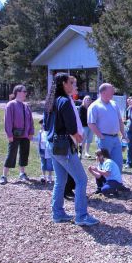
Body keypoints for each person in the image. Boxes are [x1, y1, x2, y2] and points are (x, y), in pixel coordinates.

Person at [44, 72, 99, 226]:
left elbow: (46, 124)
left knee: (60, 180)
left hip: (52, 144)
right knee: (82, 179)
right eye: (70, 82)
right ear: (63, 84)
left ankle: (58, 213)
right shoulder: (64, 101)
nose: (73, 85)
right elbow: (71, 125)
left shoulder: (50, 101)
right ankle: (81, 216)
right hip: (63, 145)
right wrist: (77, 136)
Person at [87, 83, 127, 172]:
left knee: (118, 163)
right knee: (104, 164)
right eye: (111, 91)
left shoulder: (114, 104)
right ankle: (102, 184)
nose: (113, 92)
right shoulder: (94, 106)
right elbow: (91, 123)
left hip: (116, 138)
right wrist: (101, 136)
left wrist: (123, 135)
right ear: (103, 92)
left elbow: (120, 120)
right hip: (104, 139)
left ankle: (116, 184)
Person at [0, 85, 34, 185]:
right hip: (14, 135)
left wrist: (31, 132)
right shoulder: (11, 105)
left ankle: (22, 173)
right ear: (18, 92)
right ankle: (4, 176)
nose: (26, 93)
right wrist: (9, 134)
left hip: (25, 136)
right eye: (24, 91)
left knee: (24, 154)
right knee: (11, 155)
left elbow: (30, 120)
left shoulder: (26, 106)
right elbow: (8, 121)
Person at [37, 119, 53, 184]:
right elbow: (38, 139)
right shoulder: (40, 132)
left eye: (43, 124)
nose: (42, 126)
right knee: (43, 163)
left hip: (48, 150)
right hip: (42, 149)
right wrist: (31, 138)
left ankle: (50, 177)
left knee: (49, 163)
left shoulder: (49, 131)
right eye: (41, 125)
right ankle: (43, 176)